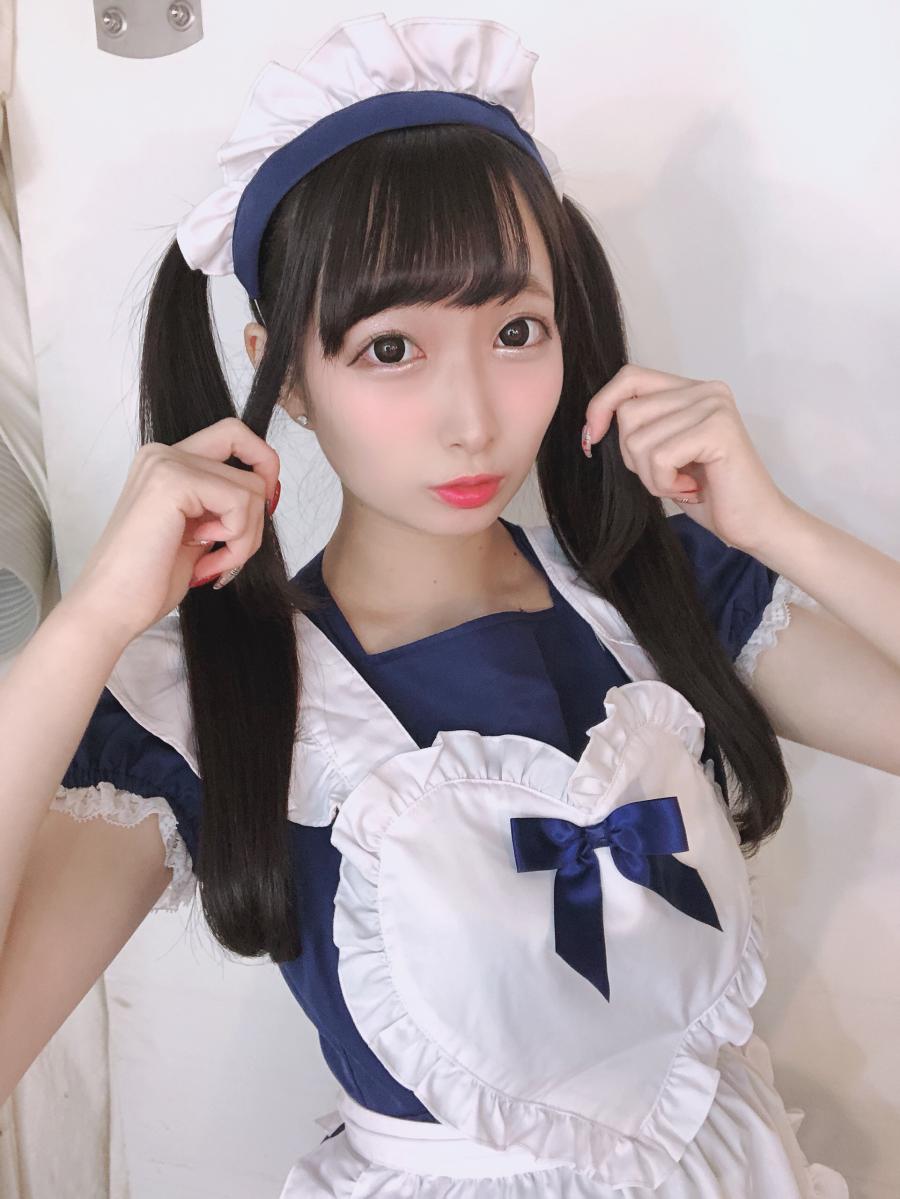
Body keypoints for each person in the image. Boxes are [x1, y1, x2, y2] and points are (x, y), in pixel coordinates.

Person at [1, 11, 897, 1196]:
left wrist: (777, 527)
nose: (474, 418)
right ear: (287, 372)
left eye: (516, 330)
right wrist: (90, 623)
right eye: (391, 349)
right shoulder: (216, 700)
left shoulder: (654, 593)